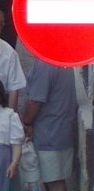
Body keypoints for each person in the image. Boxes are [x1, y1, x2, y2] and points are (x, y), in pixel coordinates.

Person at [21, 59, 77, 191]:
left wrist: (26, 122)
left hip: (49, 133)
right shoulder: (61, 60)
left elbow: (35, 101)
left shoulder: (46, 64)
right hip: (60, 130)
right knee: (54, 180)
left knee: (53, 181)